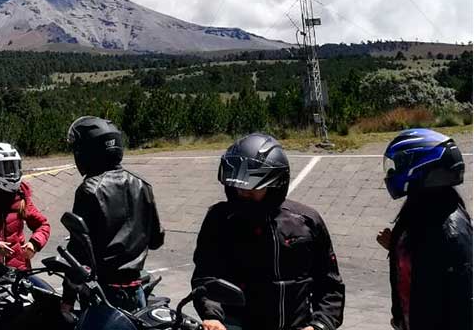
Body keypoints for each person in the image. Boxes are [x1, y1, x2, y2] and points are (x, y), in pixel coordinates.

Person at [191, 132, 344, 330]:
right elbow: (206, 276)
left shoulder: (306, 222)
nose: (243, 192)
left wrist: (320, 325)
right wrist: (212, 316)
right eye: (237, 184)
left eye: (253, 185)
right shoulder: (219, 220)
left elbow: (330, 285)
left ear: (275, 183)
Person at [62, 116, 164, 314]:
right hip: (137, 287)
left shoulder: (89, 190)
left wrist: (67, 299)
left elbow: (78, 251)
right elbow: (156, 240)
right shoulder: (142, 184)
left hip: (103, 292)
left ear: (87, 150)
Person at [377, 128, 471, 330]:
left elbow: (462, 302)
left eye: (399, 164)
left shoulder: (451, 231)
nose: (392, 172)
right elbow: (424, 265)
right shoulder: (420, 211)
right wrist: (396, 246)